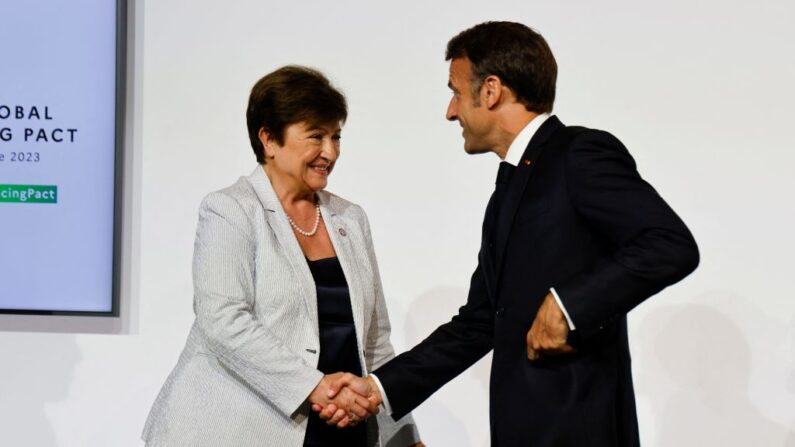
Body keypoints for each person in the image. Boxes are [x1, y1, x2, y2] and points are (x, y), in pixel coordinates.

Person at [319, 21, 700, 446]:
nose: (450, 111)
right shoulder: (507, 189)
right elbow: (480, 323)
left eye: (455, 92)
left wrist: (567, 306)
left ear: (491, 91)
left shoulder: (579, 153)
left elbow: (670, 243)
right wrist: (378, 388)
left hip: (580, 431)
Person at [142, 66, 422, 447]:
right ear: (269, 139)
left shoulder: (350, 218)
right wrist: (315, 387)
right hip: (237, 430)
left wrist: (402, 434)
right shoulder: (230, 209)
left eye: (336, 137)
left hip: (339, 430)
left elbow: (374, 343)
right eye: (316, 137)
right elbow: (223, 320)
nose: (331, 152)